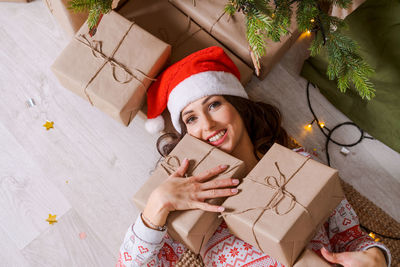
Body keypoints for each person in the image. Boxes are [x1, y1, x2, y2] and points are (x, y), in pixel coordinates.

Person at [117, 46, 391, 267]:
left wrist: (375, 256)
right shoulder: (190, 198)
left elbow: (349, 235)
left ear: (238, 106)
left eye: (214, 104)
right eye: (191, 118)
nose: (208, 125)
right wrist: (156, 207)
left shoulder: (295, 162)